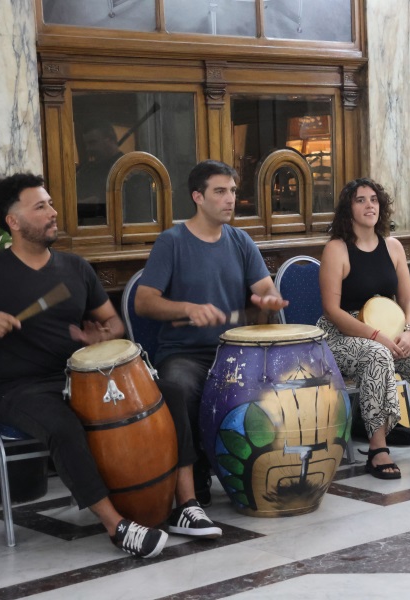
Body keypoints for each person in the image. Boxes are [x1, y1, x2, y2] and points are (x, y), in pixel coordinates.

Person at [0, 173, 221, 559]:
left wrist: (101, 336)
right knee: (64, 426)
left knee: (171, 393)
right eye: (40, 206)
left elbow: (113, 323)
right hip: (20, 389)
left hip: (81, 381)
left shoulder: (75, 267)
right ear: (13, 221)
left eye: (50, 203)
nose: (53, 212)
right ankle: (117, 527)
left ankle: (186, 505)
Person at [134, 159, 287, 505]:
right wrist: (187, 309)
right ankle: (195, 473)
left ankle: (253, 468)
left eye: (232, 191)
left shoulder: (240, 240)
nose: (230, 199)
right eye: (220, 191)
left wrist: (268, 299)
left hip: (233, 351)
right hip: (184, 353)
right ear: (198, 197)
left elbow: (265, 288)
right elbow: (144, 302)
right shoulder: (171, 242)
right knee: (178, 387)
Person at [318, 178, 410, 479]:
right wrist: (375, 335)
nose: (369, 205)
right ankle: (378, 448)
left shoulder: (393, 247)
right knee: (377, 355)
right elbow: (332, 310)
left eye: (374, 199)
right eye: (360, 200)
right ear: (348, 209)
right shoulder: (336, 249)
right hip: (342, 334)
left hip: (391, 328)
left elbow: (409, 300)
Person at [76, 120, 124, 224]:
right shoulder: (86, 170)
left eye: (93, 143)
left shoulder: (127, 167)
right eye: (86, 144)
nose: (88, 149)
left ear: (110, 139)